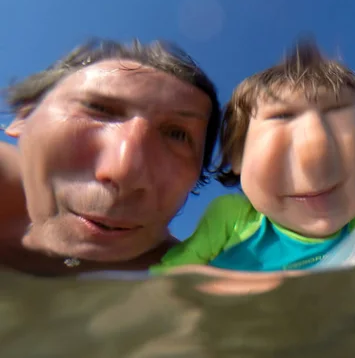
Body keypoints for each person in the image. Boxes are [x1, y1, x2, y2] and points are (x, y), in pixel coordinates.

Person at [153, 40, 355, 273]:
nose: (317, 151)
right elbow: (170, 279)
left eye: (338, 115)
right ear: (237, 157)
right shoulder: (233, 218)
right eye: (282, 116)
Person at [0, 39, 222, 277]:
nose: (123, 172)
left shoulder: (199, 283)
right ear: (24, 116)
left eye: (177, 134)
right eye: (99, 108)